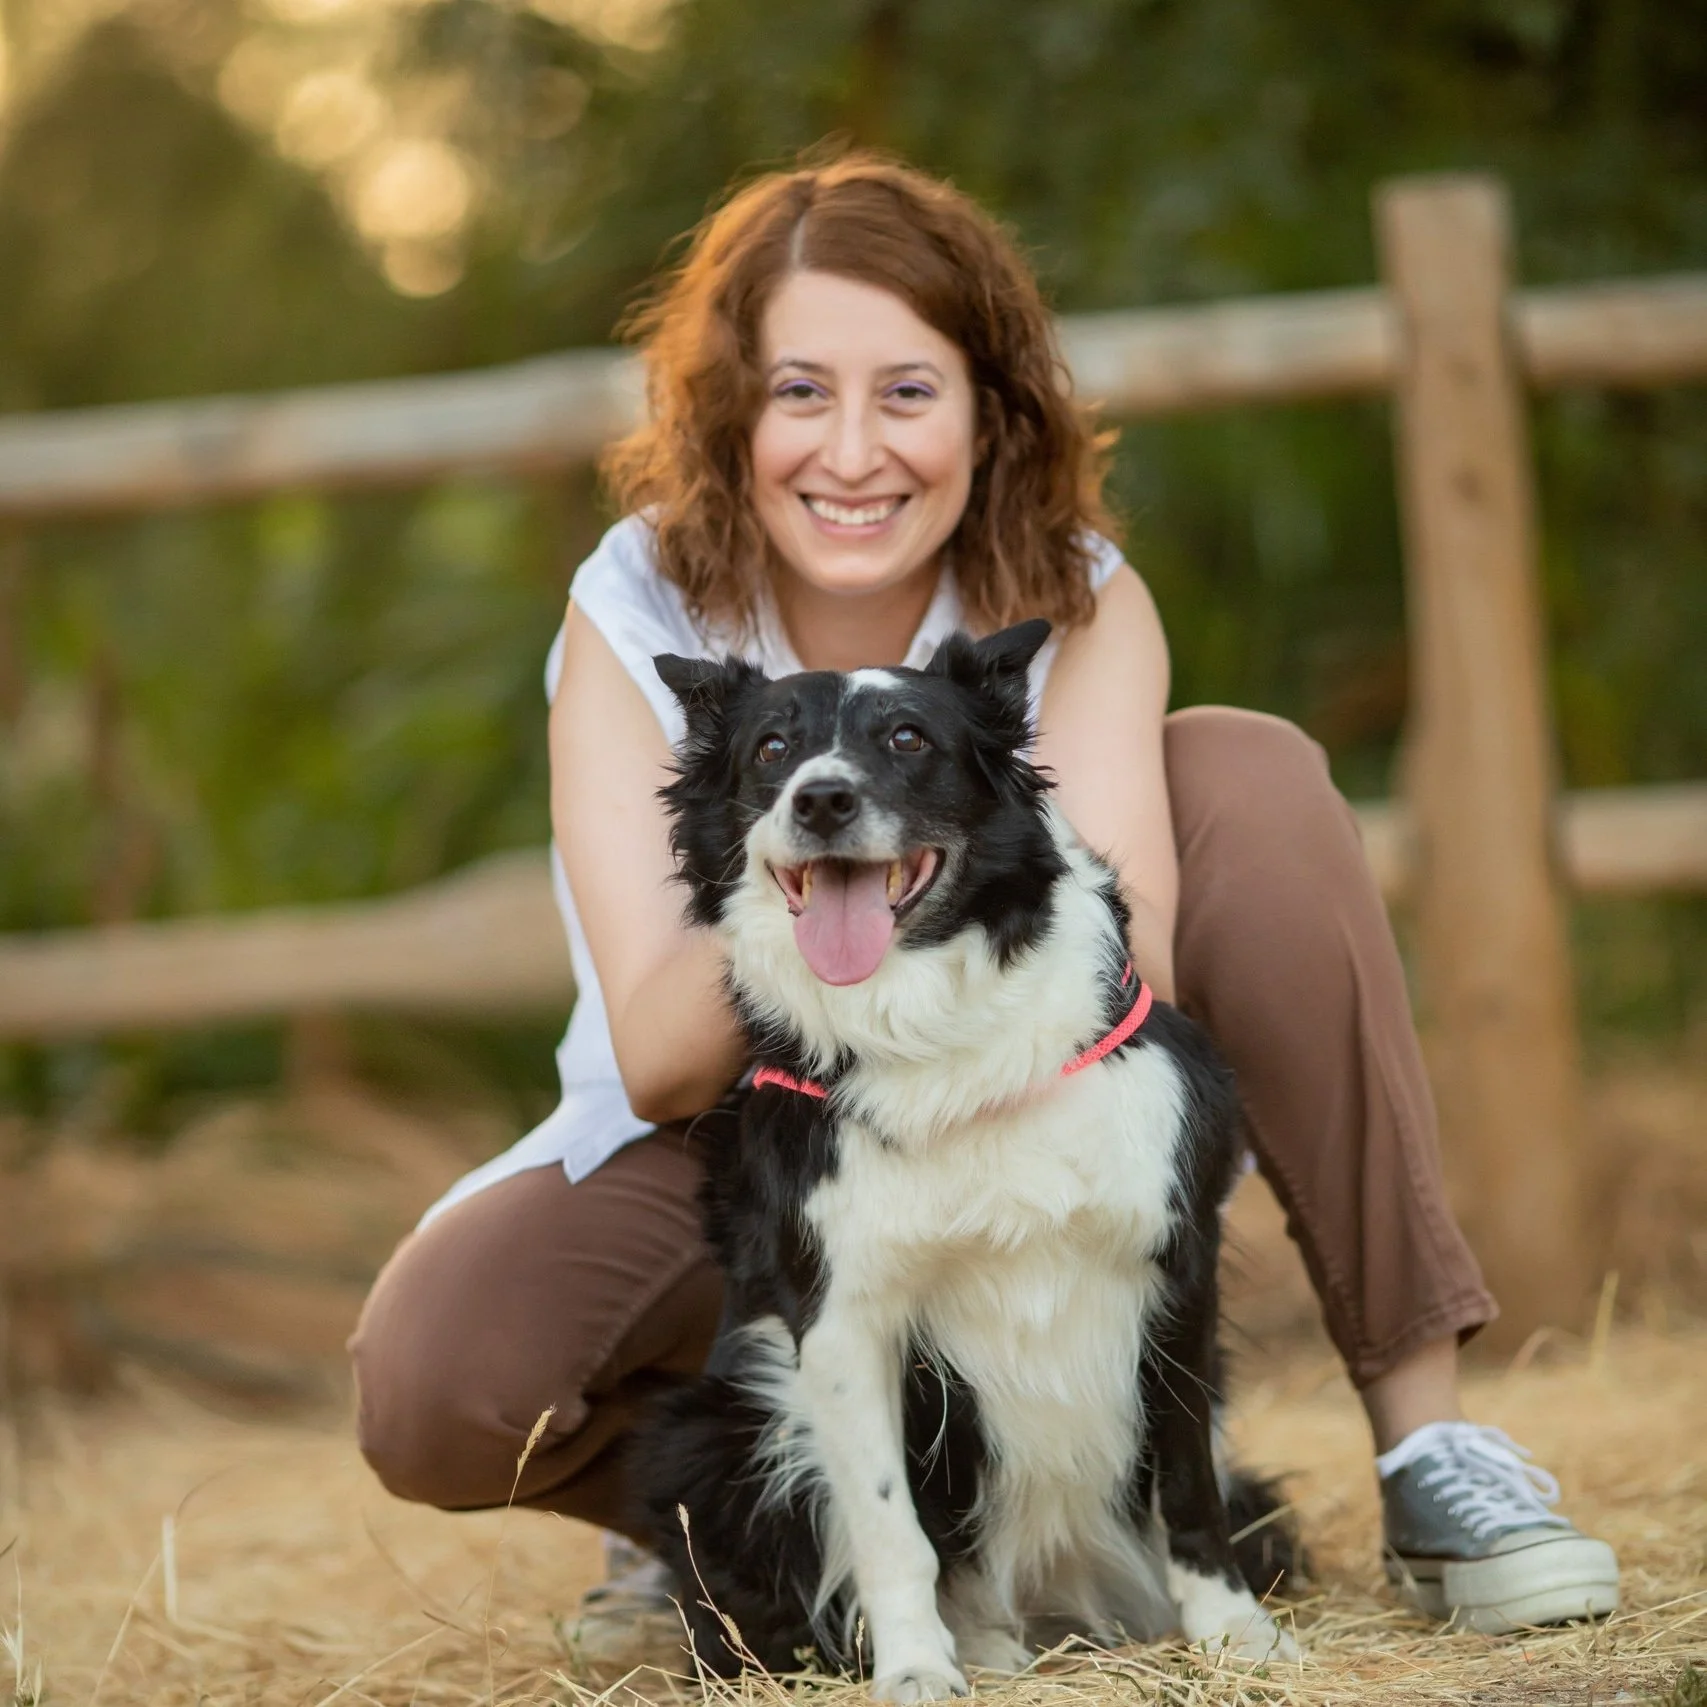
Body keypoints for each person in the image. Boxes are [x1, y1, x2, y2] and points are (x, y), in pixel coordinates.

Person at [348, 153, 1619, 1658]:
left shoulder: (1074, 592)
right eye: (799, 392)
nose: (852, 449)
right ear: (729, 414)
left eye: (908, 392)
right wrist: (816, 855)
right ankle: (740, 1522)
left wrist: (920, 901)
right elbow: (660, 1053)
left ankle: (1426, 1453)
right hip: (745, 1131)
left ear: (984, 411)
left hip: (1023, 1096)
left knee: (1250, 775)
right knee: (435, 1381)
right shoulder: (636, 610)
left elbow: (1119, 960)